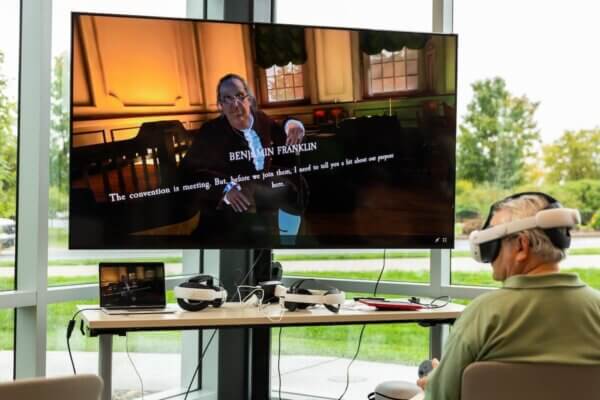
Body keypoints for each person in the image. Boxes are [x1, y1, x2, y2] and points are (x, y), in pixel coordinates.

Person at [415, 192, 600, 400]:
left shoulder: (482, 315)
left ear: (521, 246)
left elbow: (441, 397)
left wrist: (435, 382)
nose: (489, 256)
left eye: (493, 243)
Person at [179, 73, 308, 245]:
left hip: (262, 182)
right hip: (232, 189)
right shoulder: (210, 131)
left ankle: (288, 241)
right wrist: (225, 188)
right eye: (227, 99)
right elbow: (190, 170)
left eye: (240, 96)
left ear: (250, 99)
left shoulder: (261, 119)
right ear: (221, 105)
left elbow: (283, 132)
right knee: (239, 222)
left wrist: (293, 125)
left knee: (297, 185)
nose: (235, 104)